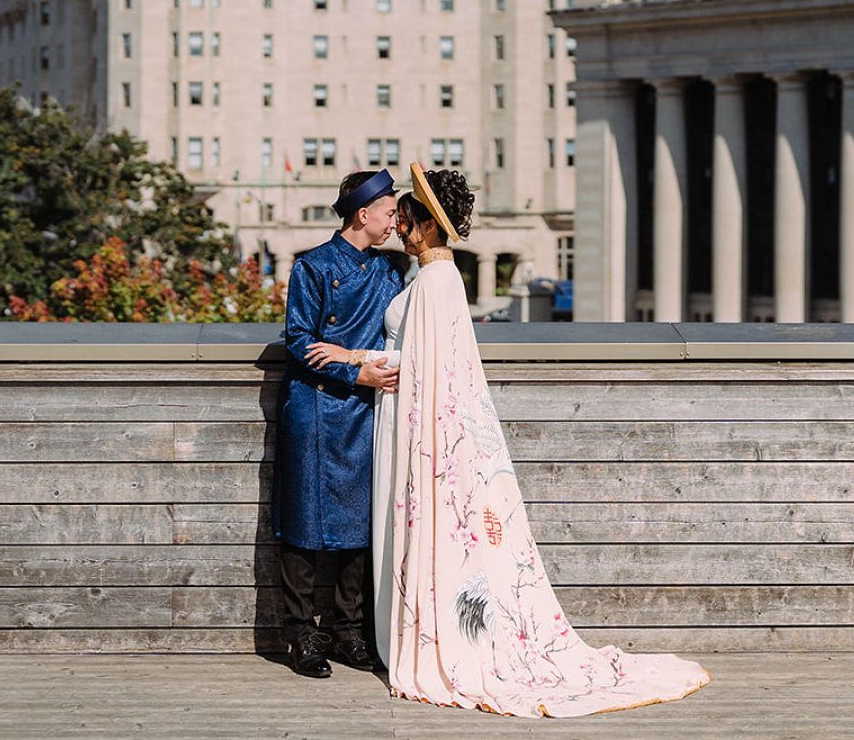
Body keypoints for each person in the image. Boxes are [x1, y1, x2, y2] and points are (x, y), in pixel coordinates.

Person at [359, 163, 711, 717]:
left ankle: (432, 637)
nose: (399, 227)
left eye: (406, 219)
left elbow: (426, 367)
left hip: (413, 417)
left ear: (428, 225)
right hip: (410, 417)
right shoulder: (435, 276)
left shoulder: (433, 280)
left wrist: (355, 358)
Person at [274, 168, 403, 679]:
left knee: (360, 525)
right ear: (363, 214)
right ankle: (302, 633)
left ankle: (351, 631)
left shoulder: (391, 269)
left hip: (367, 410)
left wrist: (359, 367)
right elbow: (300, 340)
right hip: (315, 409)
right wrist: (357, 371)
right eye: (390, 212)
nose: (395, 221)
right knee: (303, 524)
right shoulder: (311, 267)